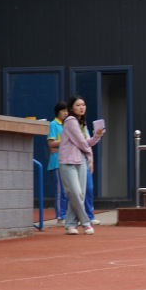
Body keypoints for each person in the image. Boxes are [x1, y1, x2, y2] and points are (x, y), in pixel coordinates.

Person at [57, 93, 94, 235]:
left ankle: (70, 224)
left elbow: (88, 143)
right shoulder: (71, 120)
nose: (81, 107)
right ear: (71, 108)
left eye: (83, 105)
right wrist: (90, 154)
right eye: (78, 105)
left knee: (80, 194)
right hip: (68, 162)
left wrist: (97, 135)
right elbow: (82, 142)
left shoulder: (82, 123)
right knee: (75, 193)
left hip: (81, 161)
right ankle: (85, 223)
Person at [47, 101, 68, 224]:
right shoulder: (54, 124)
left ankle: (66, 215)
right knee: (61, 190)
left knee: (68, 190)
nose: (65, 113)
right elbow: (51, 143)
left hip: (67, 160)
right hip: (57, 162)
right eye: (63, 111)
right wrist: (66, 139)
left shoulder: (68, 124)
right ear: (58, 112)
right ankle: (60, 216)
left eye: (67, 111)